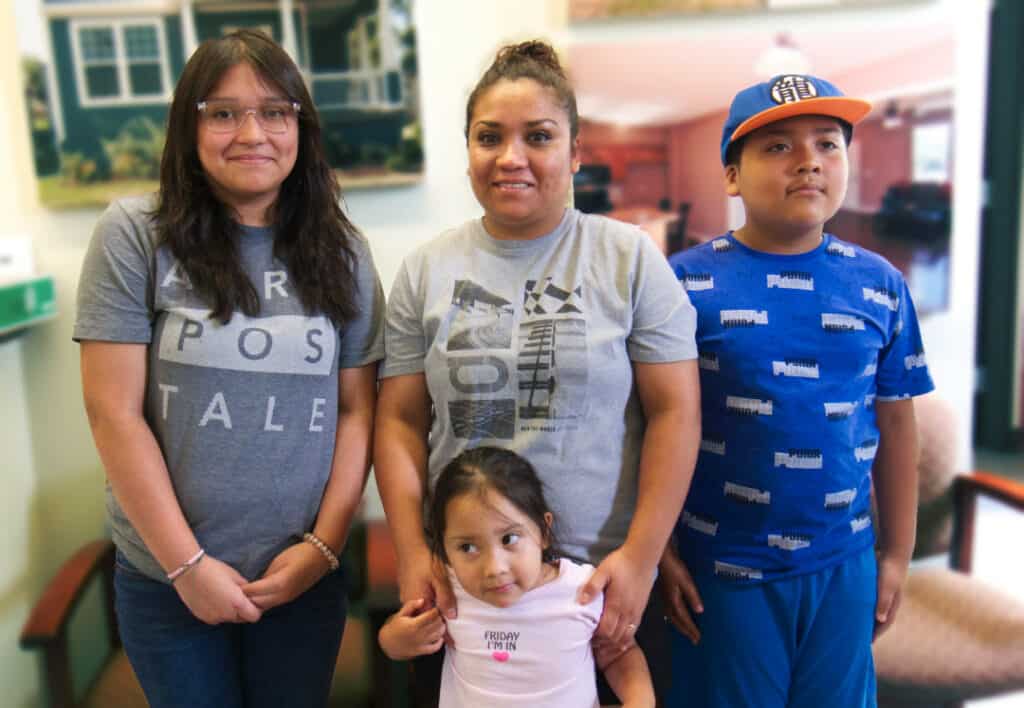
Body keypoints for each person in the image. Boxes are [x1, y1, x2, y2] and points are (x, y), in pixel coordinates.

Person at [374, 39, 701, 704]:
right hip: (466, 593)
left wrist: (639, 560)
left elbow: (676, 413)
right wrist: (413, 553)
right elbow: (400, 421)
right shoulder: (426, 270)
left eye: (540, 136)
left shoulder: (629, 260)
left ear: (576, 152)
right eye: (489, 137)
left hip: (596, 594)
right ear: (467, 149)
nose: (510, 157)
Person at [73, 30, 385, 708]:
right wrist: (186, 567)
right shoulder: (134, 234)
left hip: (302, 577)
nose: (253, 131)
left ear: (301, 125)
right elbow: (113, 413)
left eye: (276, 111)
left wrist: (324, 549)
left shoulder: (345, 251)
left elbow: (360, 409)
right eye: (223, 112)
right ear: (191, 125)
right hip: (167, 582)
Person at [662, 74, 935, 707]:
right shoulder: (680, 285)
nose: (809, 159)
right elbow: (647, 426)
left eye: (828, 144)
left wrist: (897, 554)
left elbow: (898, 428)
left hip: (844, 560)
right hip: (724, 567)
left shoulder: (881, 285)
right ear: (732, 175)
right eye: (778, 146)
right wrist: (661, 552)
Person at [379, 447, 656, 707]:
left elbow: (618, 652)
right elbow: (392, 638)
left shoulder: (583, 589)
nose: (494, 568)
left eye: (509, 539)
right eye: (468, 547)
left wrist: (640, 701)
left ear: (544, 531)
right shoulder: (449, 594)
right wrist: (398, 639)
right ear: (443, 546)